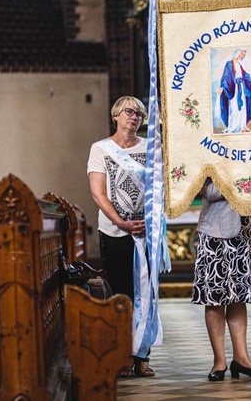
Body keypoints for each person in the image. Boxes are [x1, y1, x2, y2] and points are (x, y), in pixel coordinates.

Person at [87, 95, 155, 378]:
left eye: (139, 113)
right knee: (122, 292)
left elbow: (158, 187)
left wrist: (149, 222)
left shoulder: (151, 147)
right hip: (114, 231)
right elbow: (98, 192)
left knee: (146, 294)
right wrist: (121, 222)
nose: (134, 117)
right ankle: (121, 354)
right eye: (129, 111)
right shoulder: (101, 148)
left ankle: (142, 355)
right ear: (116, 115)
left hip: (147, 232)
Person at [192, 180, 251, 381]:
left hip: (246, 232)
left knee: (238, 297)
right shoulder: (209, 150)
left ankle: (241, 358)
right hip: (215, 233)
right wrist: (243, 181)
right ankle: (219, 361)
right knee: (216, 298)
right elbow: (210, 192)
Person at [218, 48, 251, 133]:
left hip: (241, 89)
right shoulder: (229, 63)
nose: (241, 56)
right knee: (234, 107)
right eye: (240, 54)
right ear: (236, 53)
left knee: (242, 107)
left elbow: (245, 76)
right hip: (234, 89)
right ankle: (233, 126)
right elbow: (225, 76)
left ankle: (242, 126)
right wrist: (222, 87)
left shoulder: (240, 64)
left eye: (243, 54)